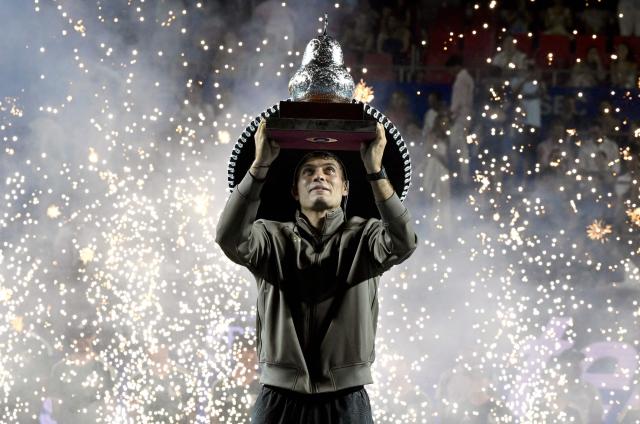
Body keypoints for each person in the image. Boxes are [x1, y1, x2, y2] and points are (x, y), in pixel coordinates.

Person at [216, 119, 417, 422]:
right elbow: (228, 238)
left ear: (345, 188)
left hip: (346, 400)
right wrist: (259, 166)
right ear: (295, 191)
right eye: (308, 172)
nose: (318, 177)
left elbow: (405, 243)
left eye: (329, 170)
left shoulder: (368, 236)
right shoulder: (269, 236)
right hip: (278, 398)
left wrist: (375, 170)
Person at [447, 54, 474, 185]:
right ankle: (462, 176)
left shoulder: (461, 79)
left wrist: (450, 115)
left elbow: (458, 102)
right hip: (465, 118)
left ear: (456, 67)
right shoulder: (467, 77)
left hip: (460, 119)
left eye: (450, 69)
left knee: (457, 149)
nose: (450, 73)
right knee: (462, 149)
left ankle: (461, 178)